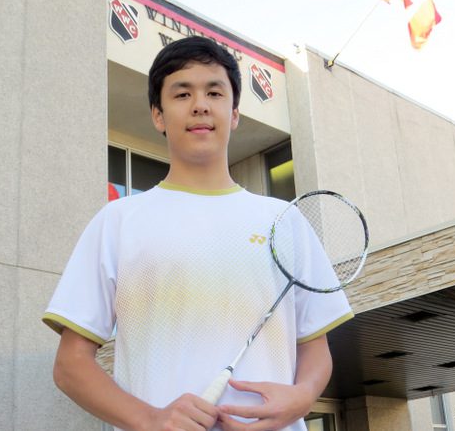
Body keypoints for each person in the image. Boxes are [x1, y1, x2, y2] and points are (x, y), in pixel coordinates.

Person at [42, 36, 353, 431]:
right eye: (182, 93)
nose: (200, 104)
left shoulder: (284, 220)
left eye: (215, 92)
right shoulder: (117, 221)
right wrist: (151, 418)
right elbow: (70, 365)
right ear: (158, 115)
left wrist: (303, 396)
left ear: (234, 113)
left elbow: (315, 348)